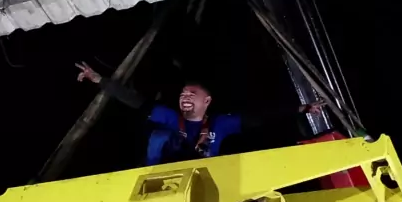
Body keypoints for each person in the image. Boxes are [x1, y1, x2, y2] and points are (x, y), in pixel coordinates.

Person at [75, 61, 324, 166]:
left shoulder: (220, 123)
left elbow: (261, 117)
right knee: (160, 136)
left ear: (207, 101)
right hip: (163, 173)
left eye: (192, 93)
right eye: (183, 93)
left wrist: (302, 108)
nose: (185, 96)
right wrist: (99, 79)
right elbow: (133, 99)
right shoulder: (169, 117)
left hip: (202, 173)